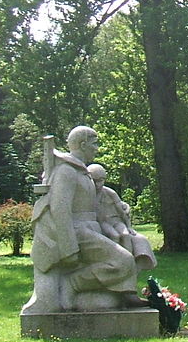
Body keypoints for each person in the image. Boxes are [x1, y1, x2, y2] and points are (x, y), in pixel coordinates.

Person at [26, 126, 143, 311]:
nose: (97, 148)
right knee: (124, 261)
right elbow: (60, 210)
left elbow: (92, 204)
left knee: (136, 246)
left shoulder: (82, 172)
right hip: (78, 232)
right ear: (83, 144)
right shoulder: (67, 171)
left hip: (92, 229)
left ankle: (126, 296)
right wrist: (69, 248)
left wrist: (119, 208)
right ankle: (72, 283)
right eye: (94, 143)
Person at [88, 163, 157, 273]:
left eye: (100, 181)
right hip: (103, 222)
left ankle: (129, 263)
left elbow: (122, 209)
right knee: (114, 235)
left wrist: (129, 226)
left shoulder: (109, 192)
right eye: (94, 181)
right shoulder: (88, 194)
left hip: (116, 221)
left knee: (125, 235)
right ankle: (114, 262)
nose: (97, 184)